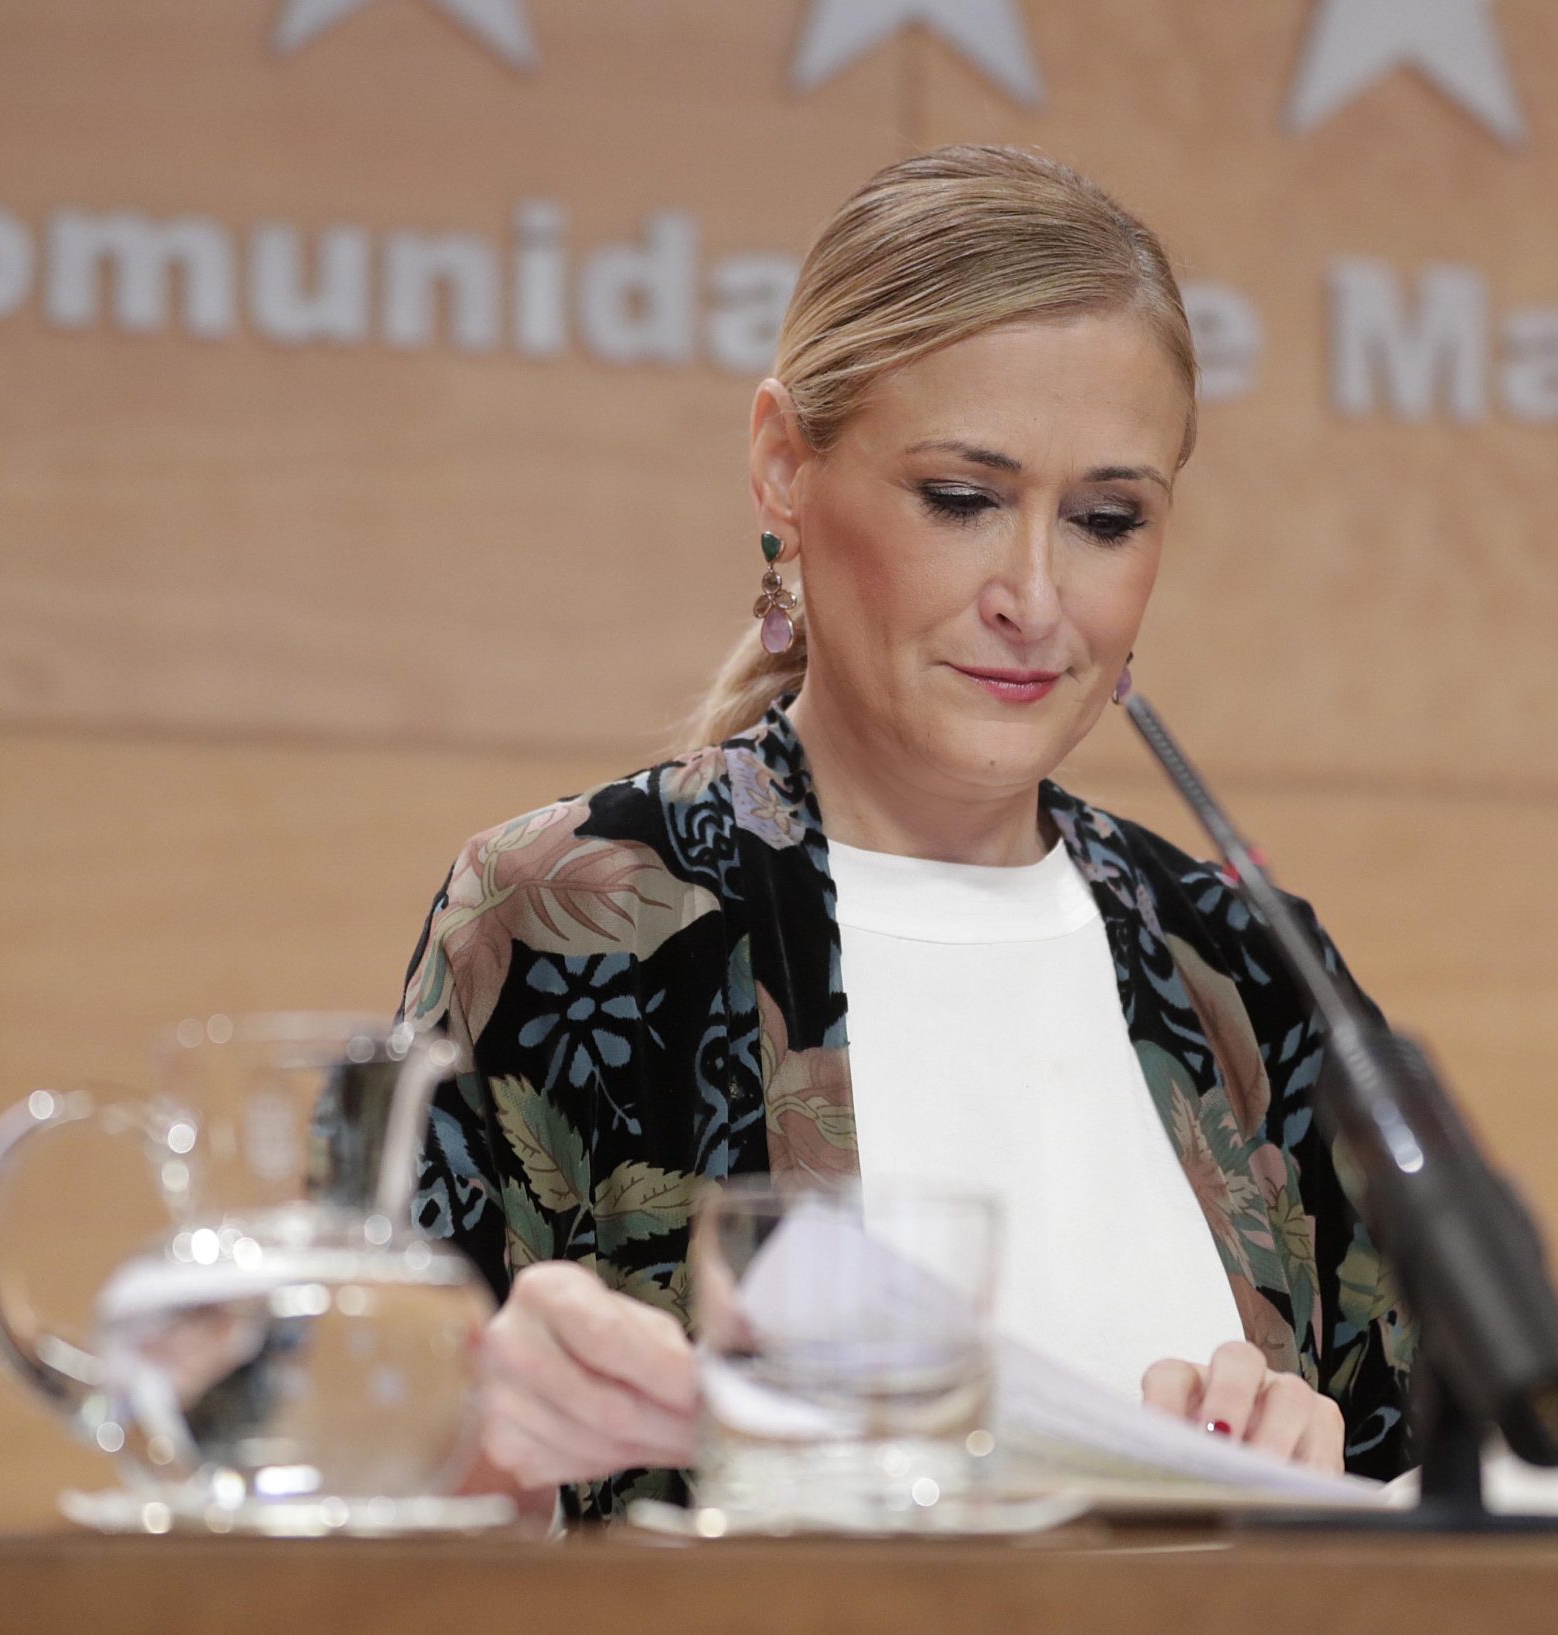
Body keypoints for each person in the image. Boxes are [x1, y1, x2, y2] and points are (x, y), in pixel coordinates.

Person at [395, 144, 1413, 1524]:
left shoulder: (1244, 960)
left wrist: (1305, 1499)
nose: (1036, 598)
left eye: (1108, 520)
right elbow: (372, 1510)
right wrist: (490, 1448)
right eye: (962, 500)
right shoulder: (578, 909)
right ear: (780, 469)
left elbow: (1425, 1515)